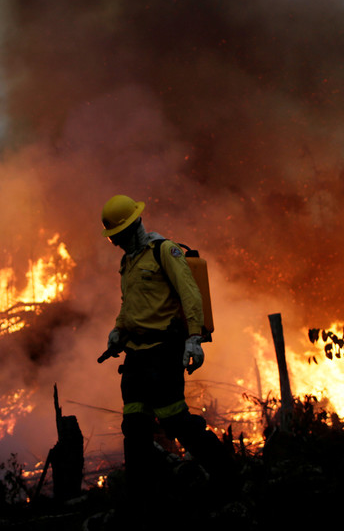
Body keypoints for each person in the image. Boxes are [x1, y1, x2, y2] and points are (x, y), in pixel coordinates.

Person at [99, 194, 232, 501]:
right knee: (134, 426)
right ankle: (141, 499)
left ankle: (226, 476)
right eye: (112, 239)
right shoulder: (128, 263)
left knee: (176, 421)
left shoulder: (164, 252)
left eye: (118, 236)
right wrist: (118, 330)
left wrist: (194, 339)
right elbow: (130, 304)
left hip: (163, 353)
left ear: (132, 228)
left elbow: (190, 295)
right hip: (135, 356)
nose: (116, 243)